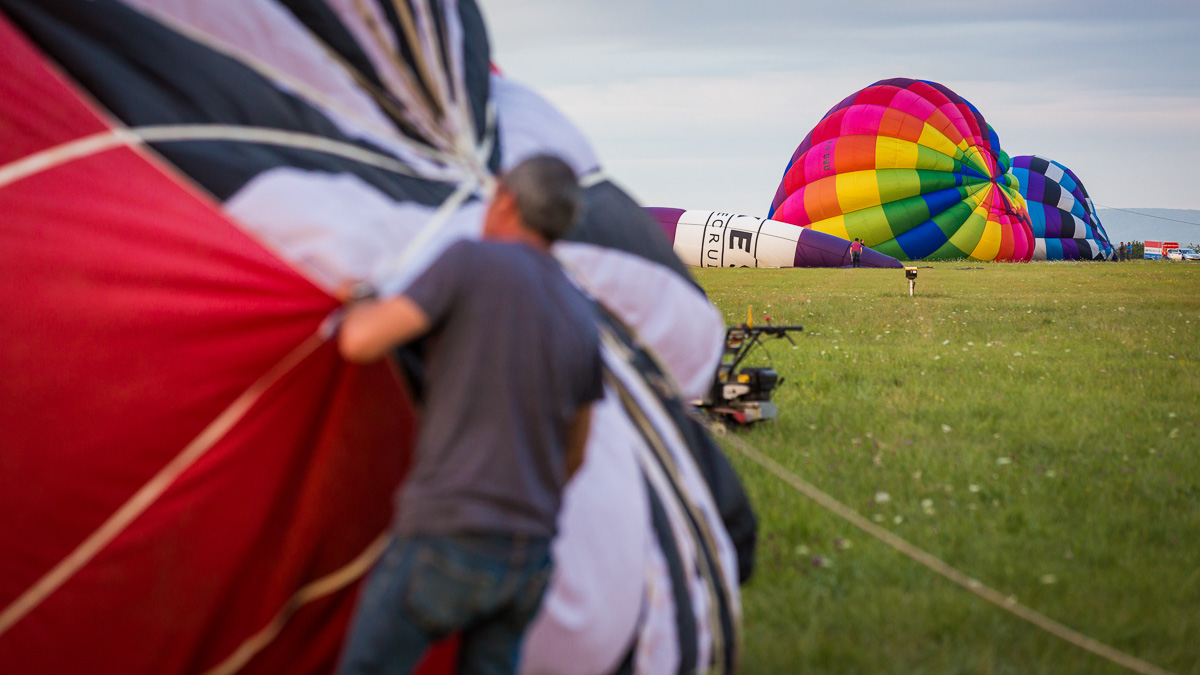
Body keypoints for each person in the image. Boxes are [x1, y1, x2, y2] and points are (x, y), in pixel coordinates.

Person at [335, 155, 604, 675]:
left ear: (506, 201)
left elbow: (361, 341)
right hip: (530, 556)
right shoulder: (581, 312)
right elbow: (576, 452)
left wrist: (360, 300)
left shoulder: (470, 262)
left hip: (449, 532)